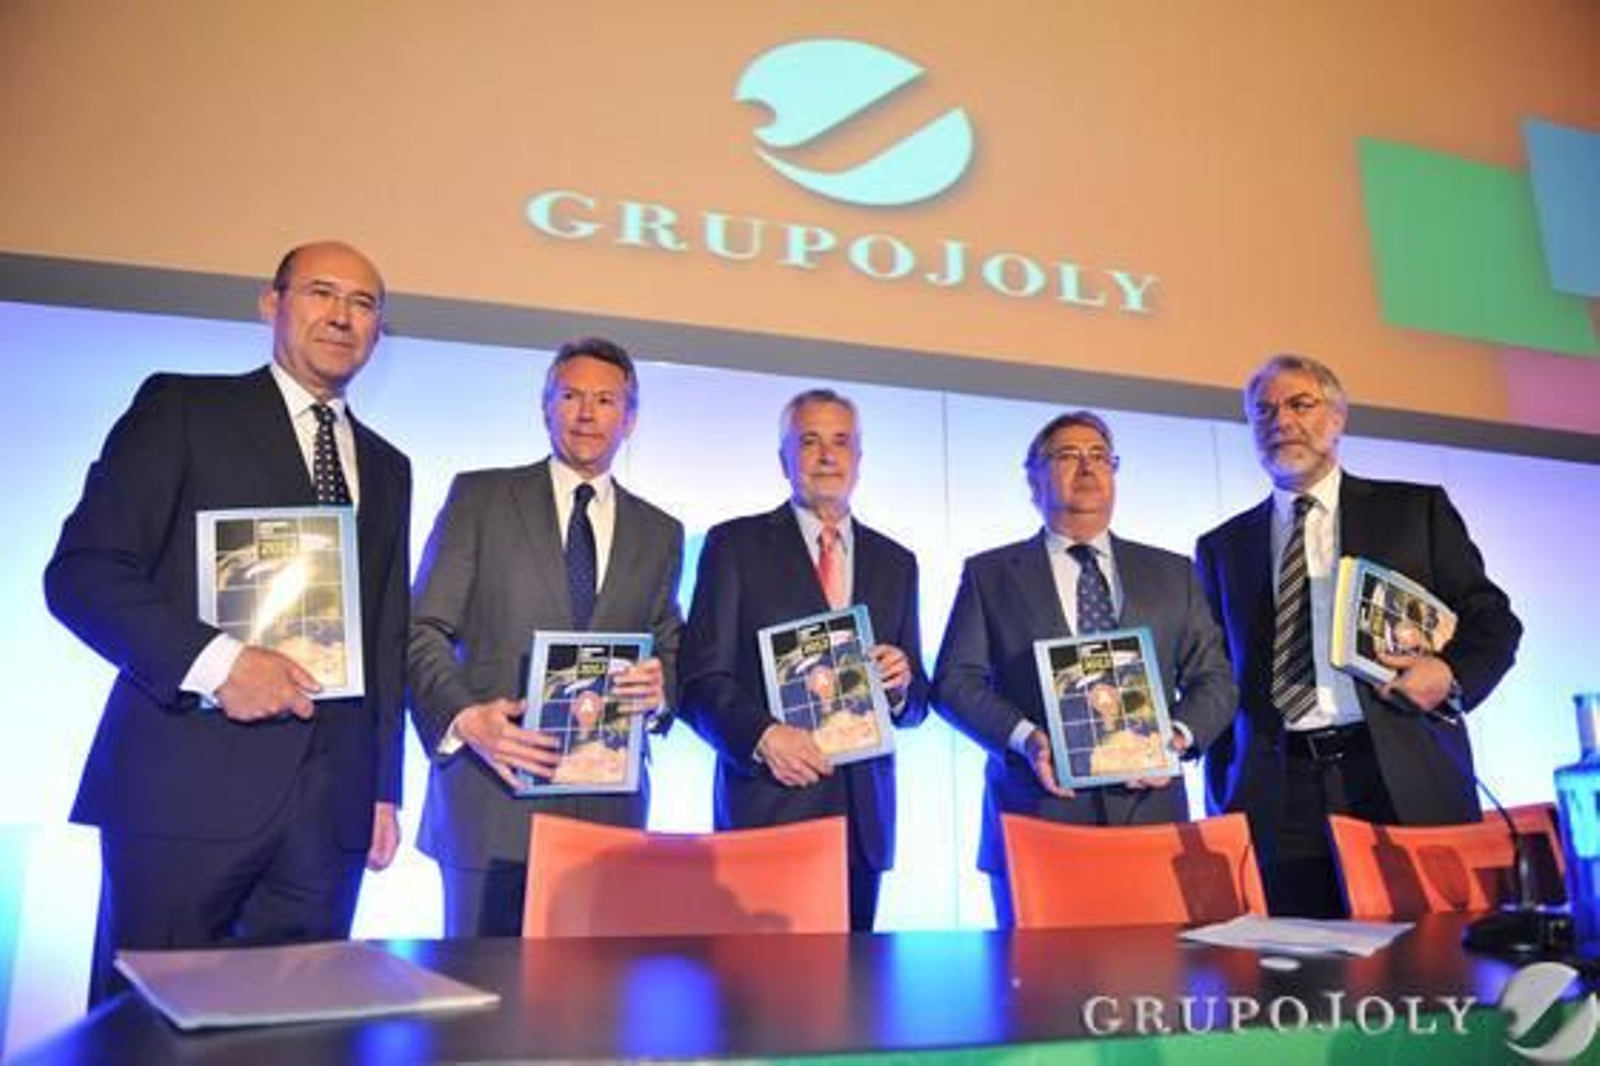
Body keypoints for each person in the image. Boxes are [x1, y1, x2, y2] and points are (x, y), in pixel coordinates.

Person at [45, 240, 412, 1004]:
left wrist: (382, 789)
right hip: (184, 790)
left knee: (295, 1034)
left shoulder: (388, 465)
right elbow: (83, 574)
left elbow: (385, 631)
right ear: (272, 304)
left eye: (363, 304)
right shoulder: (183, 409)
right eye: (321, 293)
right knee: (147, 1031)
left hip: (329, 813)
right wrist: (220, 665)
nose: (342, 316)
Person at [1196, 354, 1523, 917]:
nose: (1281, 421)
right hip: (1278, 789)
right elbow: (1217, 672)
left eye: (1300, 404)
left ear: (1337, 418)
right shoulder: (1222, 546)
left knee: (1428, 953)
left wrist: (1448, 674)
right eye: (1263, 412)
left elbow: (1493, 621)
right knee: (1299, 959)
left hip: (1397, 767)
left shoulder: (1414, 511)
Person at [408, 337, 682, 936]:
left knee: (594, 994)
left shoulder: (661, 531)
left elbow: (670, 643)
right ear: (545, 406)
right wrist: (464, 720)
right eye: (571, 396)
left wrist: (662, 688)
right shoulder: (479, 497)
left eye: (606, 400)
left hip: (607, 818)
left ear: (630, 418)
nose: (587, 414)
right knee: (479, 992)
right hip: (491, 798)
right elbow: (422, 628)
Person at [933, 410, 1237, 928]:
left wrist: (1174, 739)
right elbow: (954, 683)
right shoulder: (990, 574)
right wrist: (1027, 739)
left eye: (1100, 455)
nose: (1087, 466)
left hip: (1151, 819)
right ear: (1033, 478)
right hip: (1036, 818)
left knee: (1155, 975)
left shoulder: (1173, 573)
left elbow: (1216, 680)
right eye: (1068, 455)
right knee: (1039, 979)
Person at [678, 388, 929, 932]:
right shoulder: (734, 546)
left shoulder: (897, 562)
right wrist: (762, 736)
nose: (827, 455)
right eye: (809, 441)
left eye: (841, 442)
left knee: (855, 982)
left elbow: (917, 705)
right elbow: (699, 678)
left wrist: (902, 684)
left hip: (863, 823)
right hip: (768, 808)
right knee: (757, 984)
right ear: (784, 459)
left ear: (859, 458)